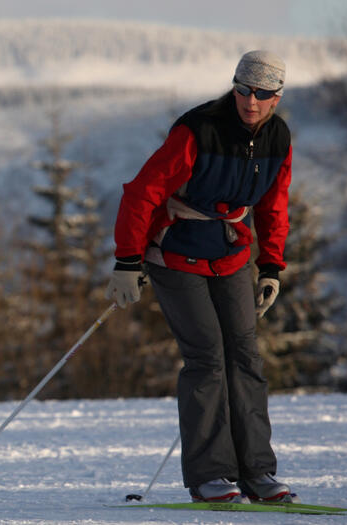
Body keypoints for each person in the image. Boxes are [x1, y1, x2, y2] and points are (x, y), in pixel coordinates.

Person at [106, 50, 295, 504]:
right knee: (207, 356)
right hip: (174, 251)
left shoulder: (278, 139)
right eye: (243, 90)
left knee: (245, 356)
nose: (251, 101)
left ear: (277, 97)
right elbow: (141, 193)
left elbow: (274, 204)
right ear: (234, 87)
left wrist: (270, 266)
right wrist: (128, 261)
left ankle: (258, 473)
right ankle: (211, 476)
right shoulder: (198, 131)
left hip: (229, 254)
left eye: (262, 94)